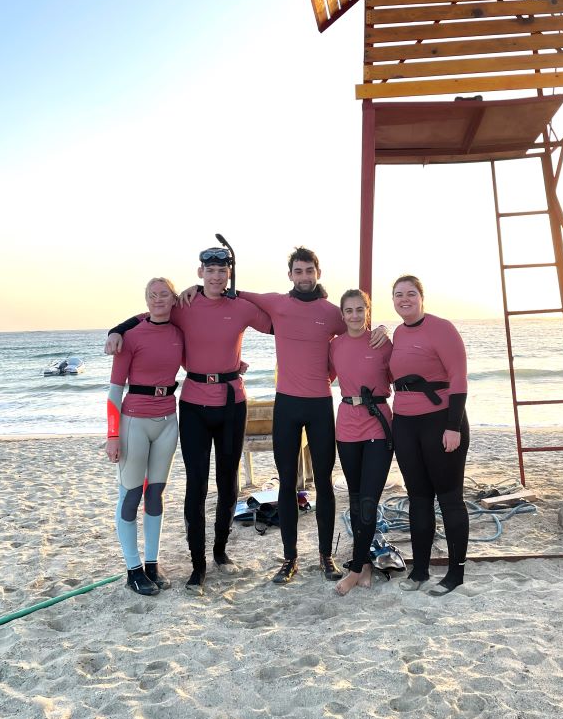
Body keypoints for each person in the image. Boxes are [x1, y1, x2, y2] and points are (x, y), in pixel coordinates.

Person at [182, 245, 387, 585]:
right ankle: (289, 559)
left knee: (323, 482)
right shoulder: (276, 302)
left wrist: (380, 329)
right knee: (288, 483)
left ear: (317, 273)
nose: (304, 277)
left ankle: (326, 557)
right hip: (287, 406)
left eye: (309, 271)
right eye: (298, 271)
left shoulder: (332, 312)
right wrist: (193, 290)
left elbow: (358, 328)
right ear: (290, 275)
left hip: (320, 404)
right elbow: (232, 291)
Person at [105, 246, 272, 596]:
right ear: (200, 273)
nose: (215, 277)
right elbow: (153, 313)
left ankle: (220, 553)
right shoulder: (185, 304)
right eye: (209, 271)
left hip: (232, 401)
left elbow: (278, 324)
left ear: (229, 273)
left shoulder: (241, 307)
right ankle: (197, 566)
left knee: (229, 482)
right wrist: (117, 328)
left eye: (222, 271)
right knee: (196, 483)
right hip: (193, 403)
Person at [389, 275, 469, 596]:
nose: (404, 299)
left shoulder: (442, 328)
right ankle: (420, 570)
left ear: (422, 298)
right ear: (392, 301)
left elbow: (459, 378)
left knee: (449, 499)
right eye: (398, 295)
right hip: (405, 425)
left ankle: (455, 573)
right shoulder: (396, 332)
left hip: (441, 423)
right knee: (418, 499)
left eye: (410, 294)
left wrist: (453, 426)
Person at [106, 277, 183, 596]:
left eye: (164, 294)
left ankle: (152, 564)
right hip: (134, 422)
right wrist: (112, 435)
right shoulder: (131, 336)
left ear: (173, 298)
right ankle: (133, 569)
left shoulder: (180, 333)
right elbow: (113, 391)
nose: (158, 299)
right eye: (152, 295)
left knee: (156, 494)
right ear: (146, 300)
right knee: (131, 495)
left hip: (168, 420)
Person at [328, 289, 393, 596]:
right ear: (342, 315)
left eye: (359, 310)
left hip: (378, 424)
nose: (354, 316)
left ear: (368, 311)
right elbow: (318, 376)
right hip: (347, 425)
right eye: (348, 311)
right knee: (355, 498)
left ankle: (354, 570)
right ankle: (365, 563)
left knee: (369, 498)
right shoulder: (335, 346)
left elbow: (406, 374)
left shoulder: (382, 343)